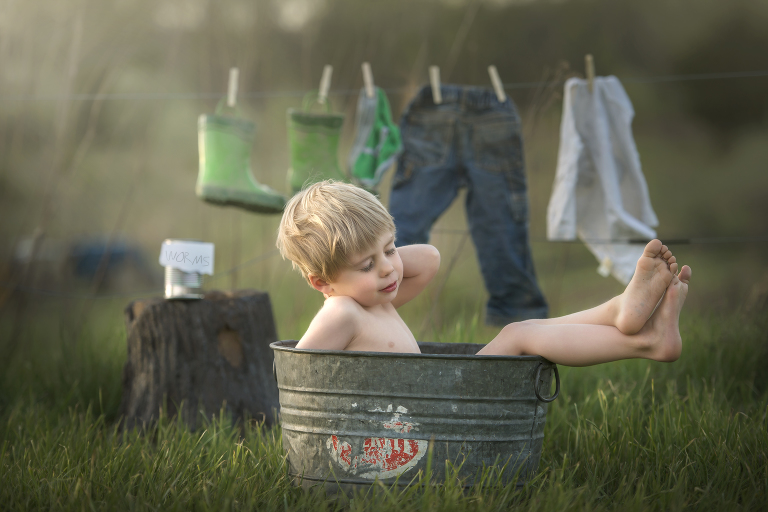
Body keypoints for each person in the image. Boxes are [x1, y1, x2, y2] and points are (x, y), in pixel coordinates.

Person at [276, 181, 691, 366]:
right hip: (415, 421)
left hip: (428, 409)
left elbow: (430, 258)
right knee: (517, 335)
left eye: (389, 249)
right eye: (368, 265)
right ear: (322, 283)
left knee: (521, 328)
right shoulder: (343, 312)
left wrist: (371, 256)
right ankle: (643, 343)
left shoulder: (372, 299)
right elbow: (300, 376)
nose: (389, 268)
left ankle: (620, 313)